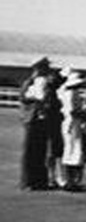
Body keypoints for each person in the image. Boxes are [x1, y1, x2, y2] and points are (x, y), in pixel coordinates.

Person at [18, 58, 60, 190]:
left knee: (40, 151)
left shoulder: (46, 82)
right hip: (33, 119)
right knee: (32, 151)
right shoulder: (32, 83)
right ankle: (30, 181)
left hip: (41, 120)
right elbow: (24, 98)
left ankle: (38, 181)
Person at [57, 69, 86, 192]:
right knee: (73, 152)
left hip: (72, 124)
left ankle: (71, 181)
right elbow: (73, 111)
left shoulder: (70, 93)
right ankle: (70, 182)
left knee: (72, 152)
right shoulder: (71, 94)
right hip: (72, 125)